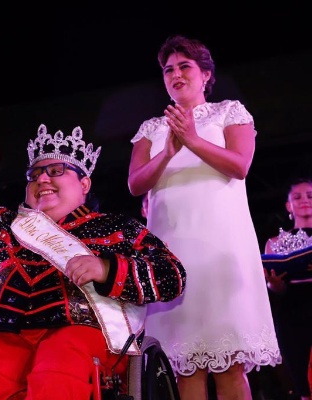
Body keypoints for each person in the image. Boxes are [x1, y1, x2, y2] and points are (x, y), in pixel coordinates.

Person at [0, 76, 186, 400]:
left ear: (85, 184)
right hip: (6, 334)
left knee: (60, 356)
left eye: (56, 171)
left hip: (81, 337)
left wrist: (107, 269)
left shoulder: (117, 227)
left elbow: (172, 275)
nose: (42, 180)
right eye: (34, 175)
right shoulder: (5, 226)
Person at [127, 34, 281, 399]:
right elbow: (135, 184)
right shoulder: (151, 127)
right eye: (168, 69)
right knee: (184, 364)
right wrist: (168, 152)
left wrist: (193, 139)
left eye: (185, 66)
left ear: (206, 74)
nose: (176, 74)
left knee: (229, 363)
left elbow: (240, 166)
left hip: (219, 241)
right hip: (171, 245)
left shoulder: (229, 112)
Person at [263, 177, 312, 400]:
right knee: (302, 381)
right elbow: (275, 288)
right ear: (288, 206)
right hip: (293, 313)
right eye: (297, 197)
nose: (305, 201)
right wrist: (273, 284)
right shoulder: (274, 242)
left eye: (310, 196)